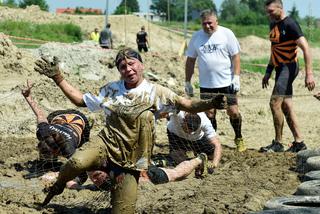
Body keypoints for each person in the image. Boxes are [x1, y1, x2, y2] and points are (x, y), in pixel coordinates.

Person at [34, 48, 226, 213]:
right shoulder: (111, 90)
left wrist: (210, 103)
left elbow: (188, 104)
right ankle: (58, 186)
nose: (128, 69)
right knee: (76, 161)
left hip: (130, 161)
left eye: (132, 64)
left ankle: (197, 160)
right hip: (105, 145)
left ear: (141, 65)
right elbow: (79, 100)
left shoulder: (157, 92)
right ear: (119, 71)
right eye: (123, 67)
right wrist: (58, 77)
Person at [185, 9, 245, 152]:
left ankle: (238, 137)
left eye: (210, 23)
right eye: (204, 24)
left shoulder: (226, 34)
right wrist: (187, 81)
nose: (207, 26)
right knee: (209, 114)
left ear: (216, 21)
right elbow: (190, 60)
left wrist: (236, 77)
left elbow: (236, 56)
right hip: (207, 85)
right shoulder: (196, 37)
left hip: (226, 83)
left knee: (233, 112)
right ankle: (213, 142)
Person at [259, 0, 315, 153]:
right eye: (267, 11)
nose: (268, 14)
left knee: (274, 103)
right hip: (279, 68)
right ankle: (299, 142)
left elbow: (306, 48)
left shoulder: (290, 24)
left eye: (271, 11)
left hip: (289, 67)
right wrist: (268, 71)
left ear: (280, 8)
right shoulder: (273, 24)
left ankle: (278, 143)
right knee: (285, 105)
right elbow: (274, 50)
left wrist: (309, 74)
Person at [21, 79, 91, 188]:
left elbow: (83, 174)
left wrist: (60, 176)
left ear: (56, 151)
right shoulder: (43, 132)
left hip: (80, 120)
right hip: (58, 116)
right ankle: (46, 164)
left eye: (48, 154)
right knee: (45, 163)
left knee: (83, 153)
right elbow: (40, 115)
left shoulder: (69, 149)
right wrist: (28, 97)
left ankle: (51, 166)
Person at [88, 153, 210, 190]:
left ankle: (199, 159)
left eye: (97, 176)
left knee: (177, 173)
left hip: (150, 176)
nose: (95, 181)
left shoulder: (114, 166)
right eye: (92, 179)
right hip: (141, 170)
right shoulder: (100, 177)